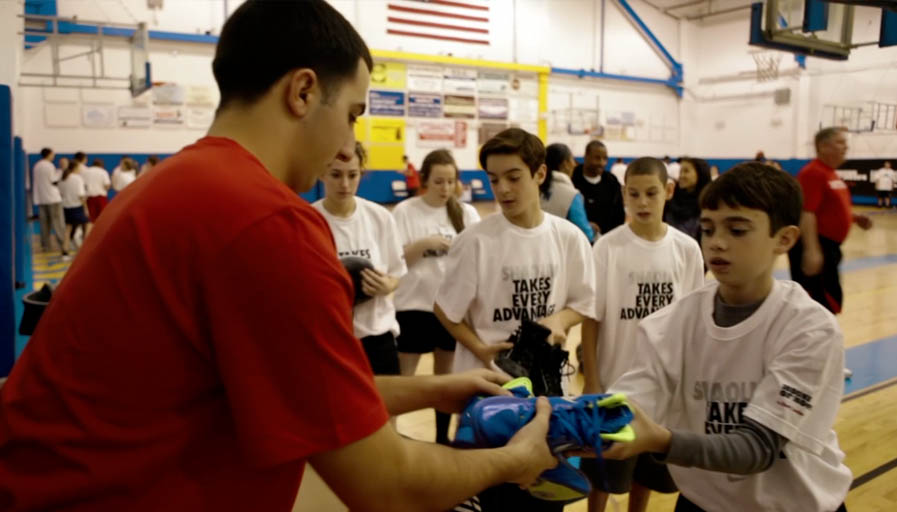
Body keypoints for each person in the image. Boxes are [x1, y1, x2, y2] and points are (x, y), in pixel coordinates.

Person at [0, 1, 559, 510]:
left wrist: (434, 388)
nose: (347, 144)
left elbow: (287, 393)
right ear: (304, 92)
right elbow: (388, 487)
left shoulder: (168, 186)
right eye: (352, 114)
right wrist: (511, 463)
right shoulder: (270, 225)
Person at [602, 162, 852, 512]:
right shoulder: (674, 321)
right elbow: (627, 403)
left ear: (784, 239)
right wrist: (558, 421)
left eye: (736, 230)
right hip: (702, 502)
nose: (716, 243)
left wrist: (660, 440)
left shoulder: (809, 328)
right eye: (707, 228)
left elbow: (757, 448)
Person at [434, 127, 597, 512]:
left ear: (540, 174)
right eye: (494, 180)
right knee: (493, 498)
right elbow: (446, 309)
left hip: (546, 392)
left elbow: (585, 303)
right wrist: (479, 347)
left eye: (513, 177)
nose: (503, 189)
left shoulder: (569, 237)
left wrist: (560, 320)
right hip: (490, 394)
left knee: (544, 496)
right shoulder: (476, 241)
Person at [580, 157, 704, 512]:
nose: (643, 202)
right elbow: (592, 318)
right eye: (634, 194)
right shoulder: (607, 248)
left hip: (665, 388)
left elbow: (693, 320)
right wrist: (593, 379)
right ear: (624, 195)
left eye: (651, 193)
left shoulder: (687, 249)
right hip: (616, 385)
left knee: (646, 476)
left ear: (668, 191)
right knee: (602, 477)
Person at [391, 148, 481, 445]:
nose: (445, 188)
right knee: (403, 381)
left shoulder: (466, 213)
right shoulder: (406, 211)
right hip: (413, 307)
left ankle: (443, 439)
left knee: (445, 381)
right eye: (438, 181)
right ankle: (389, 437)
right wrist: (423, 245)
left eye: (450, 181)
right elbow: (393, 261)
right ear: (425, 181)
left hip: (451, 310)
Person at [313, 143, 407, 376]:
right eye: (336, 175)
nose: (344, 184)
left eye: (352, 175)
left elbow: (397, 272)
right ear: (322, 174)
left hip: (377, 334)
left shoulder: (380, 217)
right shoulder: (311, 220)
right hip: (331, 337)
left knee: (387, 409)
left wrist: (387, 286)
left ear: (361, 174)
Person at [788, 127, 872, 316]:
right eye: (840, 142)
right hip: (817, 244)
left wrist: (854, 218)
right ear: (823, 146)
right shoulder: (813, 172)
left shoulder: (830, 173)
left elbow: (825, 209)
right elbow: (807, 213)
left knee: (828, 300)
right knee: (817, 303)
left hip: (829, 247)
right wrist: (811, 250)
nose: (846, 147)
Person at [542, 143, 595, 243]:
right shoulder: (571, 195)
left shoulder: (534, 188)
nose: (574, 164)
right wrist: (592, 230)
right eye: (572, 159)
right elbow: (586, 234)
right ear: (565, 163)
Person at [572, 140, 625, 237]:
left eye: (605, 159)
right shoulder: (573, 179)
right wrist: (585, 225)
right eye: (597, 158)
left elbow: (619, 214)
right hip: (578, 237)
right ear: (586, 157)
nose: (602, 163)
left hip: (607, 238)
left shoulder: (612, 181)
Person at [31, 147, 69, 258]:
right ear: (49, 154)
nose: (54, 156)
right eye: (53, 154)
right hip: (53, 198)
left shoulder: (37, 166)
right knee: (57, 223)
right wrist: (62, 169)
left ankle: (45, 245)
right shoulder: (49, 166)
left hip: (41, 198)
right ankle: (63, 244)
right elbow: (53, 180)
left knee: (44, 224)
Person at [663, 157, 712, 241]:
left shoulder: (708, 203)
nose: (681, 176)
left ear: (700, 173)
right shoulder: (670, 200)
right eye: (680, 171)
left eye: (686, 171)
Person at [58, 159, 90, 249]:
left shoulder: (63, 178)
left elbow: (61, 193)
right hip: (77, 206)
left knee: (68, 228)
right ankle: (85, 247)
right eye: (79, 167)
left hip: (66, 207)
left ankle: (65, 250)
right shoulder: (77, 178)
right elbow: (81, 196)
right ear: (75, 168)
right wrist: (86, 208)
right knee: (87, 224)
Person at [82, 159, 111, 223]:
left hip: (89, 198)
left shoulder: (86, 171)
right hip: (101, 197)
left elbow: (83, 185)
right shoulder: (103, 172)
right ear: (101, 165)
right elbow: (107, 186)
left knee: (91, 219)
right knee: (102, 218)